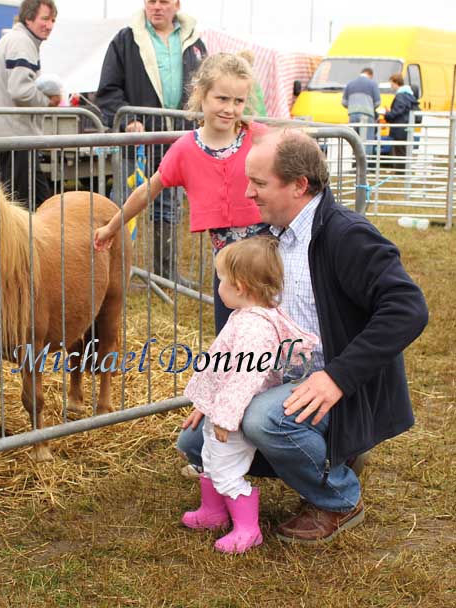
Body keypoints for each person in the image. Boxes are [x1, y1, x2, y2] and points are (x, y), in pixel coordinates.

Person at [177, 129, 429, 544]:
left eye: (259, 183)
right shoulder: (266, 236)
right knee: (194, 440)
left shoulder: (346, 234)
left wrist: (338, 378)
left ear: (299, 185)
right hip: (279, 379)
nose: (248, 192)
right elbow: (240, 330)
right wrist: (218, 391)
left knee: (263, 420)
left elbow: (408, 307)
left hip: (337, 385)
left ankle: (339, 498)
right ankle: (331, 452)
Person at [94, 53, 269, 337]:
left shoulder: (257, 136)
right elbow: (147, 190)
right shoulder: (186, 149)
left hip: (269, 261)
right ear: (202, 95)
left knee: (270, 334)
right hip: (227, 266)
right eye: (222, 99)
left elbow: (297, 161)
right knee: (229, 337)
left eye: (238, 101)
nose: (230, 109)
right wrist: (111, 227)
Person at [181, 237, 318, 554]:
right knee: (210, 460)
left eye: (221, 281)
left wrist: (226, 418)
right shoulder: (245, 317)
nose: (218, 288)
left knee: (227, 470)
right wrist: (204, 404)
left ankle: (248, 530)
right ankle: (213, 512)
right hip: (220, 410)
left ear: (239, 286)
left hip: (234, 417)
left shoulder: (255, 328)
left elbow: (245, 378)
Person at [95, 0, 207, 280]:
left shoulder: (195, 43)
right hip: (138, 141)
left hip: (176, 140)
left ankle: (166, 271)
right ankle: (113, 273)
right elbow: (108, 90)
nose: (156, 7)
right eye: (150, 1)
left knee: (168, 203)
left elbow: (204, 88)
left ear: (176, 4)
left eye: (164, 1)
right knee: (123, 203)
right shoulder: (125, 40)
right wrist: (128, 119)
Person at [0, 0, 60, 209]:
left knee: (39, 204)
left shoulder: (16, 40)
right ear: (28, 18)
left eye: (53, 20)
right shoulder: (22, 43)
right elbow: (19, 90)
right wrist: (48, 101)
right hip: (17, 138)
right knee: (23, 207)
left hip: (13, 138)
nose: (50, 25)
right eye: (45, 19)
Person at [341, 67, 381, 158]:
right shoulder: (372, 84)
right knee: (367, 141)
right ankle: (366, 166)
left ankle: (355, 165)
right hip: (367, 115)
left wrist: (352, 107)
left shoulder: (350, 84)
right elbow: (378, 102)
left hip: (352, 115)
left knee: (353, 140)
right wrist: (370, 107)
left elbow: (344, 102)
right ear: (370, 75)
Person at [382, 72, 420, 166]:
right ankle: (402, 172)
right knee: (402, 150)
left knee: (399, 151)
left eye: (391, 84)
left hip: (400, 128)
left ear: (396, 83)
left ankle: (400, 173)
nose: (391, 86)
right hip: (406, 126)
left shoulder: (401, 95)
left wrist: (387, 114)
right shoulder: (408, 95)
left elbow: (398, 110)